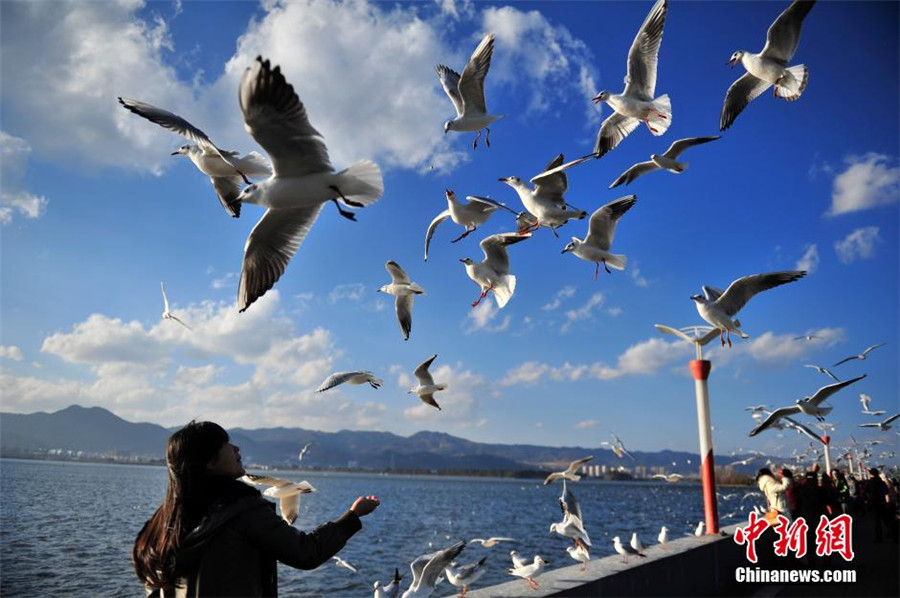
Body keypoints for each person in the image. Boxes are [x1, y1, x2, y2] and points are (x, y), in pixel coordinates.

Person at [133, 421, 380, 597]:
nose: (236, 449)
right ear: (209, 462)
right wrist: (353, 516)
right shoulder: (244, 511)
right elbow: (306, 552)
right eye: (227, 444)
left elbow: (155, 584)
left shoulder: (162, 520)